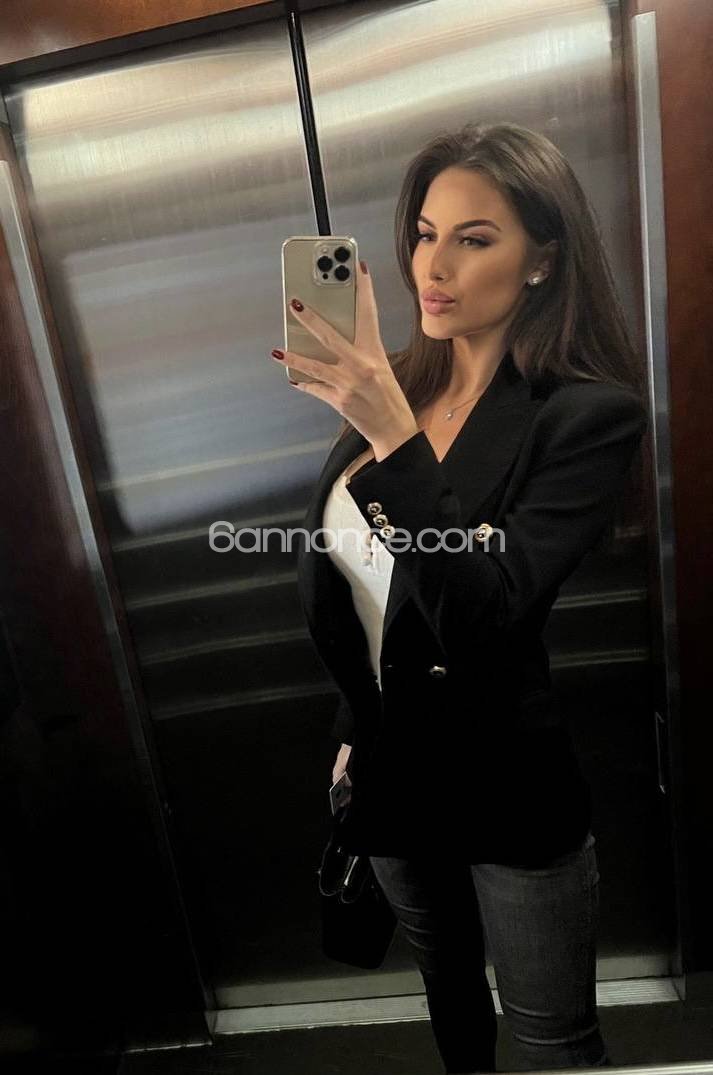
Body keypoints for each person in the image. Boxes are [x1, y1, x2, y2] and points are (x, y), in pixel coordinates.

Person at [276, 122, 648, 1073]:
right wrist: (354, 726)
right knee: (448, 997)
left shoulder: (583, 415)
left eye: (473, 239)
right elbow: (366, 599)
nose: (432, 267)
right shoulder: (397, 388)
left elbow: (483, 618)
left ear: (542, 260)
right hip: (389, 774)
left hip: (504, 779)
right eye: (423, 233)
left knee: (552, 1037)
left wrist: (395, 441)